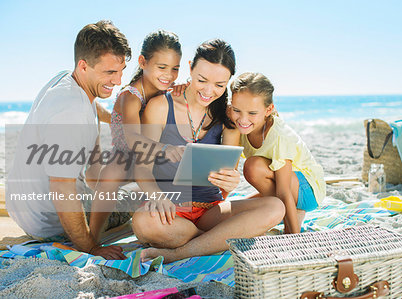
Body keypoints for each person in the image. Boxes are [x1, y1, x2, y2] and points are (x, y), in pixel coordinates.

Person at [132, 39, 285, 263]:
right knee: (143, 223)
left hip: (210, 211)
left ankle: (182, 252)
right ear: (191, 67)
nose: (208, 91)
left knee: (274, 207)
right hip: (169, 210)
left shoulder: (227, 116)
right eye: (202, 80)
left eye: (219, 85)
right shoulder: (161, 107)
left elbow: (229, 173)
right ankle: (217, 241)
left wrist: (231, 181)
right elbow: (141, 168)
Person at [6, 20, 131, 259]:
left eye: (121, 70)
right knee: (136, 193)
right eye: (110, 72)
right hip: (49, 225)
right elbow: (62, 188)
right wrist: (91, 248)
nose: (118, 80)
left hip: (24, 208)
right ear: (84, 66)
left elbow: (93, 106)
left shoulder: (65, 80)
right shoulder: (70, 112)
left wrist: (115, 118)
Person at [89, 30, 186, 243]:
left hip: (152, 156)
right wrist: (165, 150)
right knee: (109, 176)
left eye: (175, 69)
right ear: (143, 62)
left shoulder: (168, 90)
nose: (168, 75)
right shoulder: (129, 96)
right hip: (126, 153)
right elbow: (132, 138)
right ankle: (94, 235)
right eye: (162, 67)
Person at [229, 72, 326, 234]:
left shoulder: (279, 136)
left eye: (252, 113)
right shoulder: (237, 118)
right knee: (235, 212)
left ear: (269, 109)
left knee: (252, 167)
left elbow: (283, 191)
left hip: (308, 190)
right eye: (237, 110)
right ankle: (288, 213)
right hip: (279, 184)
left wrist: (292, 236)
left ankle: (293, 214)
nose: (243, 120)